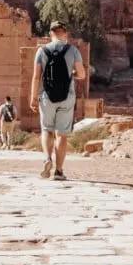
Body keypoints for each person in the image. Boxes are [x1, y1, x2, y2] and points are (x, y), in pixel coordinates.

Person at [30, 20, 85, 180]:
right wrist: (72, 74)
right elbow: (82, 74)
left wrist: (33, 98)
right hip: (67, 97)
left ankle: (47, 159)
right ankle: (59, 171)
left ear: (50, 34)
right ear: (65, 33)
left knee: (47, 129)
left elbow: (35, 77)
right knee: (61, 135)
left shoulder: (42, 51)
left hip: (47, 97)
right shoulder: (73, 50)